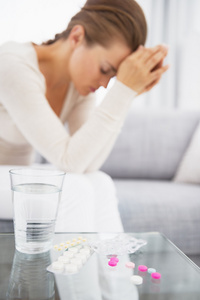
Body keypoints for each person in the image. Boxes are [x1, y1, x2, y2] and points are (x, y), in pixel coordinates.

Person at [0, 0, 169, 232]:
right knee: (72, 189)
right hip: (10, 180)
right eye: (104, 69)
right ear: (77, 37)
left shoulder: (79, 84)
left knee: (100, 182)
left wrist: (126, 95)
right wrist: (122, 91)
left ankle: (117, 269)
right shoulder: (12, 64)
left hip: (13, 180)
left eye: (114, 78)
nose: (104, 84)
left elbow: (88, 163)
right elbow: (69, 160)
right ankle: (75, 270)